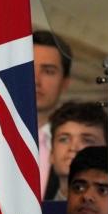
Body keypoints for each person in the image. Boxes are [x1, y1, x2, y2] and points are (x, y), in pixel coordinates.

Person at [34, 31, 72, 196]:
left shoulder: (77, 144)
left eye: (48, 71)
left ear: (65, 82)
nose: (36, 80)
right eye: (28, 68)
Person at [44, 101, 106, 201]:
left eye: (87, 140)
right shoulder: (35, 212)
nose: (73, 147)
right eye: (64, 139)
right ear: (51, 153)